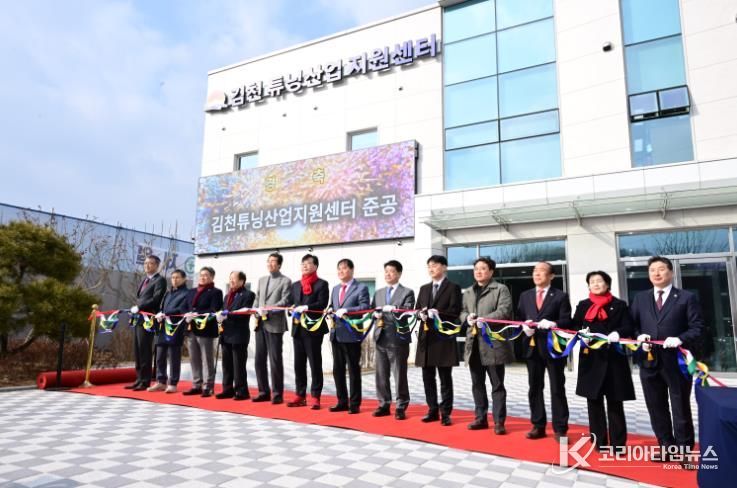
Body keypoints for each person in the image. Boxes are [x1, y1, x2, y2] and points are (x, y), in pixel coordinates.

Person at [630, 256, 703, 462]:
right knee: (656, 407)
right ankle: (666, 447)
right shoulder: (640, 298)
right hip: (649, 360)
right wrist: (639, 337)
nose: (657, 273)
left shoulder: (686, 297)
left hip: (676, 362)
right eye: (652, 270)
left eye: (661, 269)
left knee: (680, 407)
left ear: (671, 272)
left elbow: (698, 327)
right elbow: (631, 325)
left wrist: (680, 339)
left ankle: (684, 451)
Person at [573, 271, 635, 451]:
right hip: (591, 359)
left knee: (615, 402)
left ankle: (618, 444)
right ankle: (598, 442)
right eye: (592, 281)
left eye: (599, 281)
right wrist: (579, 333)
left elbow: (629, 326)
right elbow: (574, 325)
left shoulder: (619, 305)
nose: (595, 284)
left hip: (614, 360)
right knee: (594, 403)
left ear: (607, 284)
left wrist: (618, 333)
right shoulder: (584, 305)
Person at [517, 261, 572, 442]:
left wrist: (554, 324)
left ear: (551, 276)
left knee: (557, 388)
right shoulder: (525, 295)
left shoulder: (560, 296)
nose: (537, 274)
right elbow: (518, 317)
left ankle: (560, 428)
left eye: (541, 271)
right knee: (534, 388)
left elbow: (567, 321)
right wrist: (524, 327)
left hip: (553, 347)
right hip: (532, 347)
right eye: (535, 271)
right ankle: (538, 425)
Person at [460, 257, 513, 435]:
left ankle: (499, 422)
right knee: (477, 384)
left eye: (483, 268)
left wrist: (485, 319)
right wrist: (466, 318)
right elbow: (462, 311)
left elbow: (504, 311)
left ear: (491, 271)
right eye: (476, 269)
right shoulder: (468, 291)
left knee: (497, 385)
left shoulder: (500, 289)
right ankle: (480, 418)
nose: (479, 272)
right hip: (473, 344)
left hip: (493, 345)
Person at [415, 255, 462, 426]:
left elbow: (455, 311)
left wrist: (438, 314)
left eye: (434, 265)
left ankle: (446, 413)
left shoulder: (453, 287)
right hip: (426, 339)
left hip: (443, 338)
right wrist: (420, 314)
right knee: (427, 377)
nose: (431, 268)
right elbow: (416, 310)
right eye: (429, 266)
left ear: (444, 267)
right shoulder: (424, 288)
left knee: (445, 378)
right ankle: (432, 410)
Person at [371, 260, 415, 420]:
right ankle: (384, 404)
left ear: (399, 273)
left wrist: (395, 310)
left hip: (398, 339)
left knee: (399, 374)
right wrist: (374, 314)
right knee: (381, 374)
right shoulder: (379, 293)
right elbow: (372, 310)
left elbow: (408, 311)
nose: (388, 274)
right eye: (386, 271)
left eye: (391, 271)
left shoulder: (407, 292)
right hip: (380, 337)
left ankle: (401, 406)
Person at [329, 259, 370, 414]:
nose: (341, 271)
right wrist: (329, 310)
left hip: (352, 335)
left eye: (344, 268)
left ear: (352, 270)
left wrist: (347, 310)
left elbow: (365, 307)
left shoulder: (361, 287)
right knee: (337, 370)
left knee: (353, 370)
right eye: (339, 268)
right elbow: (333, 306)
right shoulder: (335, 289)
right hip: (336, 333)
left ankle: (354, 404)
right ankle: (341, 401)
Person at [288, 254, 329, 409]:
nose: (304, 266)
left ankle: (315, 396)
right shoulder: (295, 285)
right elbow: (291, 304)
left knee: (315, 363)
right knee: (299, 364)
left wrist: (307, 307)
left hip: (313, 329)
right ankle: (300, 395)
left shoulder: (321, 284)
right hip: (298, 328)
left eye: (308, 263)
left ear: (315, 266)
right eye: (302, 263)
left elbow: (322, 303)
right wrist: (291, 309)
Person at [253, 252, 292, 405]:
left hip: (275, 324)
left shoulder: (285, 281)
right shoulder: (262, 280)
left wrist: (269, 309)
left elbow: (285, 300)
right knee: (259, 359)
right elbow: (257, 298)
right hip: (260, 323)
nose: (270, 263)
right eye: (268, 261)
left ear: (279, 264)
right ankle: (263, 391)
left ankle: (277, 394)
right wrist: (256, 310)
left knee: (275, 360)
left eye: (273, 261)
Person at [126, 255, 167, 391]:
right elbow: (141, 298)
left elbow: (156, 299)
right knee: (138, 350)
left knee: (145, 350)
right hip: (139, 318)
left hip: (148, 319)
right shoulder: (145, 280)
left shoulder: (160, 280)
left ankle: (145, 381)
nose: (147, 266)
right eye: (145, 263)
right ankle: (139, 379)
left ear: (157, 265)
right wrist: (136, 309)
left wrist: (140, 307)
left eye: (150, 263)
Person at [182, 267, 223, 398]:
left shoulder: (216, 292)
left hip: (206, 329)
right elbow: (184, 306)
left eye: (206, 275)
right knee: (194, 358)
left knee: (206, 358)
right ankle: (196, 384)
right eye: (201, 275)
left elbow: (214, 308)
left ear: (212, 277)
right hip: (191, 328)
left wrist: (197, 313)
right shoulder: (191, 291)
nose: (203, 277)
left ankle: (208, 386)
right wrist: (187, 313)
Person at [148, 269, 189, 393]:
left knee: (174, 356)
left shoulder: (187, 293)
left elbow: (181, 309)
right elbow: (162, 308)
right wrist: (160, 313)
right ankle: (161, 381)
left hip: (175, 327)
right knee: (159, 355)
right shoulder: (168, 293)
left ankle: (173, 383)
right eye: (172, 278)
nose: (174, 280)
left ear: (184, 279)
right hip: (163, 326)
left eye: (177, 277)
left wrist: (166, 313)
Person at [216, 271, 255, 400]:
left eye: (234, 279)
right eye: (230, 278)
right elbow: (224, 310)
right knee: (226, 364)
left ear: (242, 281)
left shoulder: (248, 294)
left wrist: (227, 315)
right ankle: (227, 389)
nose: (231, 281)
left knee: (238, 365)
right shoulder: (227, 295)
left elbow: (243, 312)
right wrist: (220, 316)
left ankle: (242, 391)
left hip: (239, 334)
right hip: (226, 333)